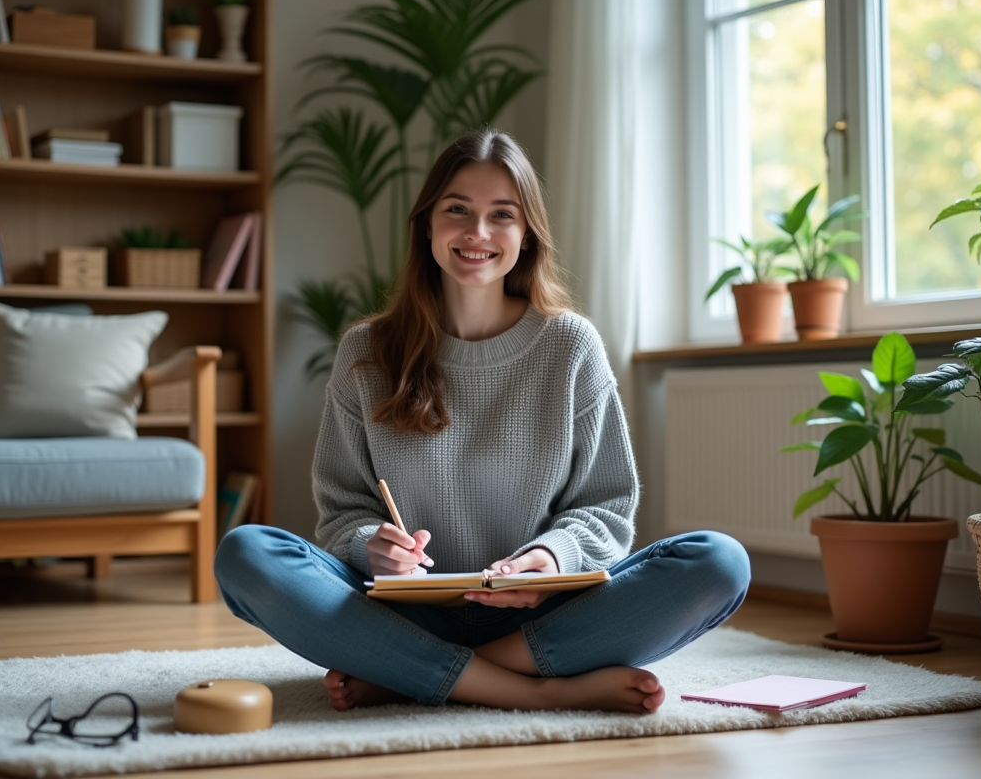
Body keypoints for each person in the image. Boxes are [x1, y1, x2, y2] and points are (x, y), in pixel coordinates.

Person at [214, 128, 750, 714]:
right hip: (405, 611)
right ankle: (534, 688)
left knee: (719, 562)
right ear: (426, 223)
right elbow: (344, 510)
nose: (477, 233)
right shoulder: (366, 351)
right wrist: (376, 547)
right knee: (246, 553)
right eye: (457, 211)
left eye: (502, 215)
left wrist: (548, 560)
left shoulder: (570, 346)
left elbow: (606, 507)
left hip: (542, 614)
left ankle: (412, 673)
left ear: (527, 235)